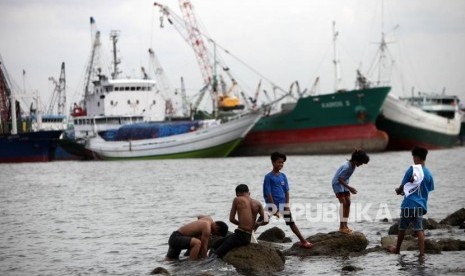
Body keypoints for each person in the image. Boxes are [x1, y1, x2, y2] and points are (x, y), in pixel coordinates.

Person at [390, 146, 434, 257]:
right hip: (420, 206)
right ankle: (422, 253)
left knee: (402, 228)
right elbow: (427, 190)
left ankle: (397, 250)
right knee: (419, 229)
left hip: (408, 204)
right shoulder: (428, 174)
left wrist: (398, 191)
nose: (413, 159)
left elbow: (402, 186)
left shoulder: (412, 169)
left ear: (417, 157)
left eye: (414, 157)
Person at [263, 152, 313, 249]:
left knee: (291, 223)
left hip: (283, 205)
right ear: (273, 162)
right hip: (271, 205)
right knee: (264, 220)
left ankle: (303, 241)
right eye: (279, 162)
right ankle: (249, 233)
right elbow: (268, 193)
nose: (281, 164)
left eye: (282, 163)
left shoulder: (283, 176)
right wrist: (274, 209)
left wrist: (286, 204)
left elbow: (287, 191)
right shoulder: (268, 177)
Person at [210, 184, 268, 258]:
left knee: (216, 252)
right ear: (248, 193)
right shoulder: (258, 203)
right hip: (248, 236)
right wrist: (257, 224)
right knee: (218, 243)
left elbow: (231, 219)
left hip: (240, 235)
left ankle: (207, 266)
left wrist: (240, 224)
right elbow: (266, 221)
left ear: (237, 194)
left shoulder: (237, 199)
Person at [331, 149, 369, 234]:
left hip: (344, 183)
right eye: (361, 162)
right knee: (343, 203)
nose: (361, 165)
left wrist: (348, 187)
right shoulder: (346, 166)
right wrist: (350, 188)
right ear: (355, 160)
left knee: (348, 203)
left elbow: (345, 178)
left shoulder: (353, 166)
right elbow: (339, 179)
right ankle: (341, 226)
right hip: (337, 183)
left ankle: (345, 225)